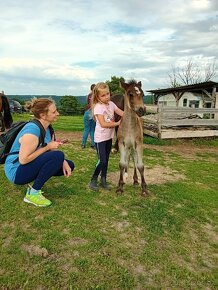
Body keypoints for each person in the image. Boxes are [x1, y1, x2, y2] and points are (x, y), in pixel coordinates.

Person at [4, 98, 75, 207]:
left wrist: (63, 161)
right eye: (54, 112)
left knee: (69, 165)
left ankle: (34, 183)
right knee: (58, 155)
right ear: (42, 115)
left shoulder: (47, 127)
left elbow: (51, 149)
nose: (58, 113)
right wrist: (48, 148)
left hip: (25, 165)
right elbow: (23, 160)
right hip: (16, 171)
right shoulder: (32, 130)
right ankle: (33, 194)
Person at [89, 82, 123, 191]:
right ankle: (93, 180)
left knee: (106, 160)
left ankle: (103, 180)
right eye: (103, 95)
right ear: (97, 97)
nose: (106, 97)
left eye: (108, 94)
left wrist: (132, 114)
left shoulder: (112, 104)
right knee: (102, 160)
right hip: (100, 139)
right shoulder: (98, 107)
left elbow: (121, 112)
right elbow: (103, 124)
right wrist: (117, 124)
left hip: (109, 137)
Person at [81, 84, 96, 149]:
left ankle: (83, 144)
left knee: (86, 129)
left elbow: (88, 103)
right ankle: (93, 144)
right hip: (94, 112)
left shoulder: (89, 95)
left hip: (88, 112)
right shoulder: (97, 96)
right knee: (92, 129)